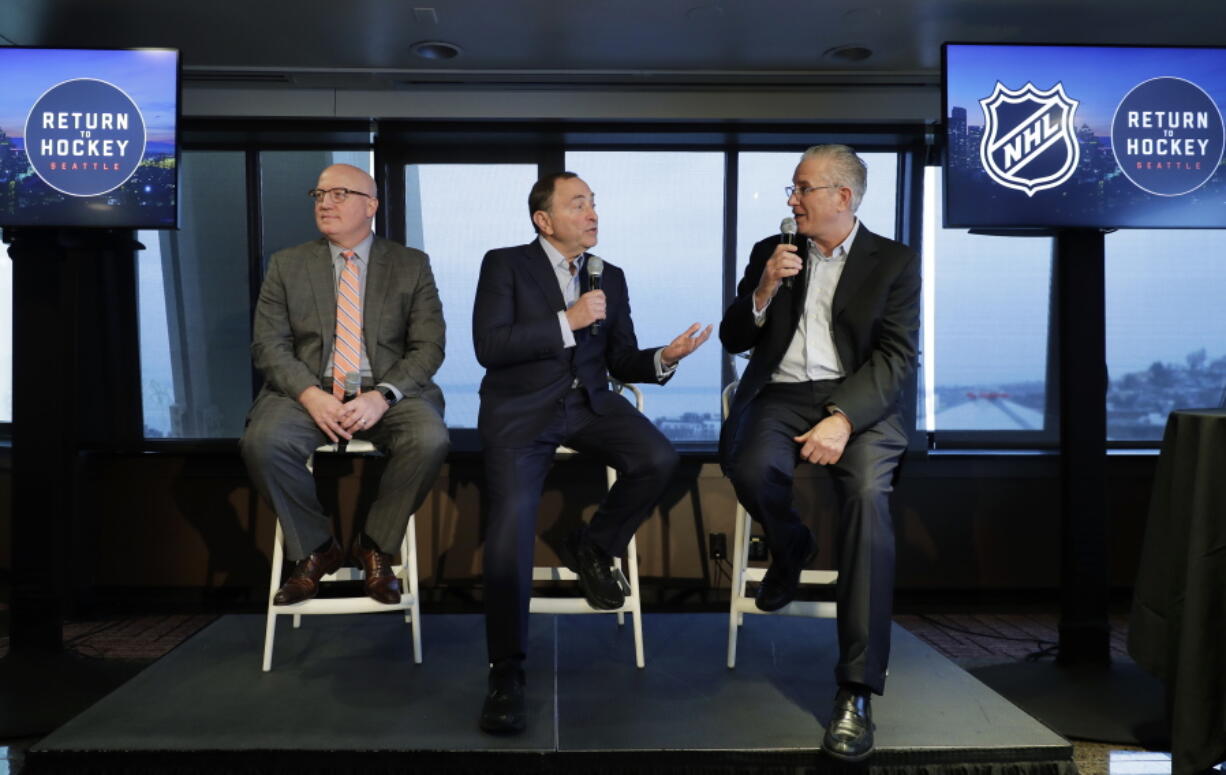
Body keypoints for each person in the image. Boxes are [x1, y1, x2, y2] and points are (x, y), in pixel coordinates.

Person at [472, 172, 711, 735]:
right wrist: (567, 321)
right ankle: (505, 673)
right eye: (577, 204)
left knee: (657, 457)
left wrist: (663, 357)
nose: (592, 213)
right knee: (510, 530)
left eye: (594, 203)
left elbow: (622, 358)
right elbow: (489, 347)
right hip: (520, 411)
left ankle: (594, 545)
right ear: (544, 220)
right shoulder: (503, 264)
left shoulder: (610, 276)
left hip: (589, 405)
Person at [719, 145, 920, 762]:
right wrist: (763, 289)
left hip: (862, 398)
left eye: (802, 188)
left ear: (843, 197)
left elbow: (895, 358)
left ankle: (856, 690)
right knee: (749, 465)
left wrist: (842, 418)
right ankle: (791, 544)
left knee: (864, 497)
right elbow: (734, 335)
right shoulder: (771, 252)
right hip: (782, 392)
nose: (792, 200)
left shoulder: (894, 261)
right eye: (792, 189)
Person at [240, 163, 449, 609]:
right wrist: (310, 395)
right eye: (318, 194)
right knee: (263, 441)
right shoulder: (287, 264)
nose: (325, 203)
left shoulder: (411, 265)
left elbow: (429, 348)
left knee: (428, 436)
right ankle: (316, 549)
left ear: (370, 205)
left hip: (387, 392)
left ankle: (376, 546)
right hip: (307, 390)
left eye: (338, 194)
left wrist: (384, 394)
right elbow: (268, 346)